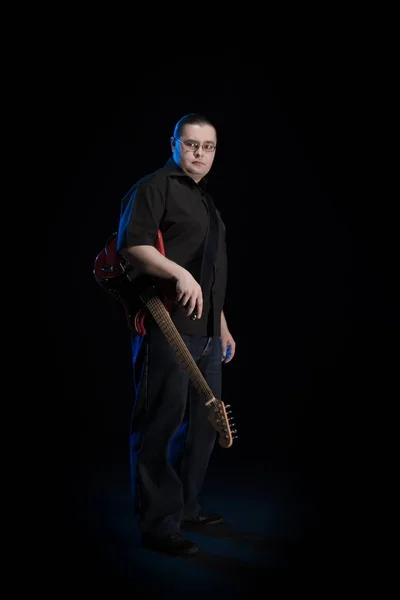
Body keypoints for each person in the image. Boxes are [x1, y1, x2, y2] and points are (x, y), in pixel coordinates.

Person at [116, 113, 236, 556]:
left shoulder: (205, 201)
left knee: (203, 425)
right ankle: (158, 526)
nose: (199, 154)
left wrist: (221, 323)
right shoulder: (155, 187)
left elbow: (210, 271)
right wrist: (178, 274)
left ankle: (186, 507)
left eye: (207, 147)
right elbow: (133, 244)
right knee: (160, 425)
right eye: (191, 145)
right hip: (166, 325)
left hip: (205, 330)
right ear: (174, 144)